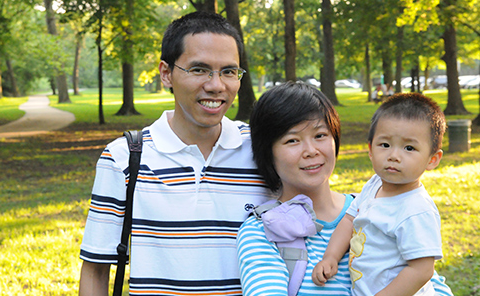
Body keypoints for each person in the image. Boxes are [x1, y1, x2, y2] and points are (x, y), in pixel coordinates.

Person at [78, 11, 270, 296]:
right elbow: (95, 269)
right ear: (166, 73)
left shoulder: (263, 149)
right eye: (199, 69)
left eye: (229, 71)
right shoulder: (124, 158)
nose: (216, 85)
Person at [236, 82, 453, 296]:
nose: (311, 151)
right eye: (292, 140)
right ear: (267, 152)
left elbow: (428, 280)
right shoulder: (263, 232)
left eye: (320, 135)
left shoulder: (381, 205)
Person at [312, 92, 446, 296]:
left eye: (409, 148)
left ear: (432, 159)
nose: (394, 156)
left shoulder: (416, 210)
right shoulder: (374, 185)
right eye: (385, 145)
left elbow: (421, 270)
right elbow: (350, 220)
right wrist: (331, 257)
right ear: (370, 149)